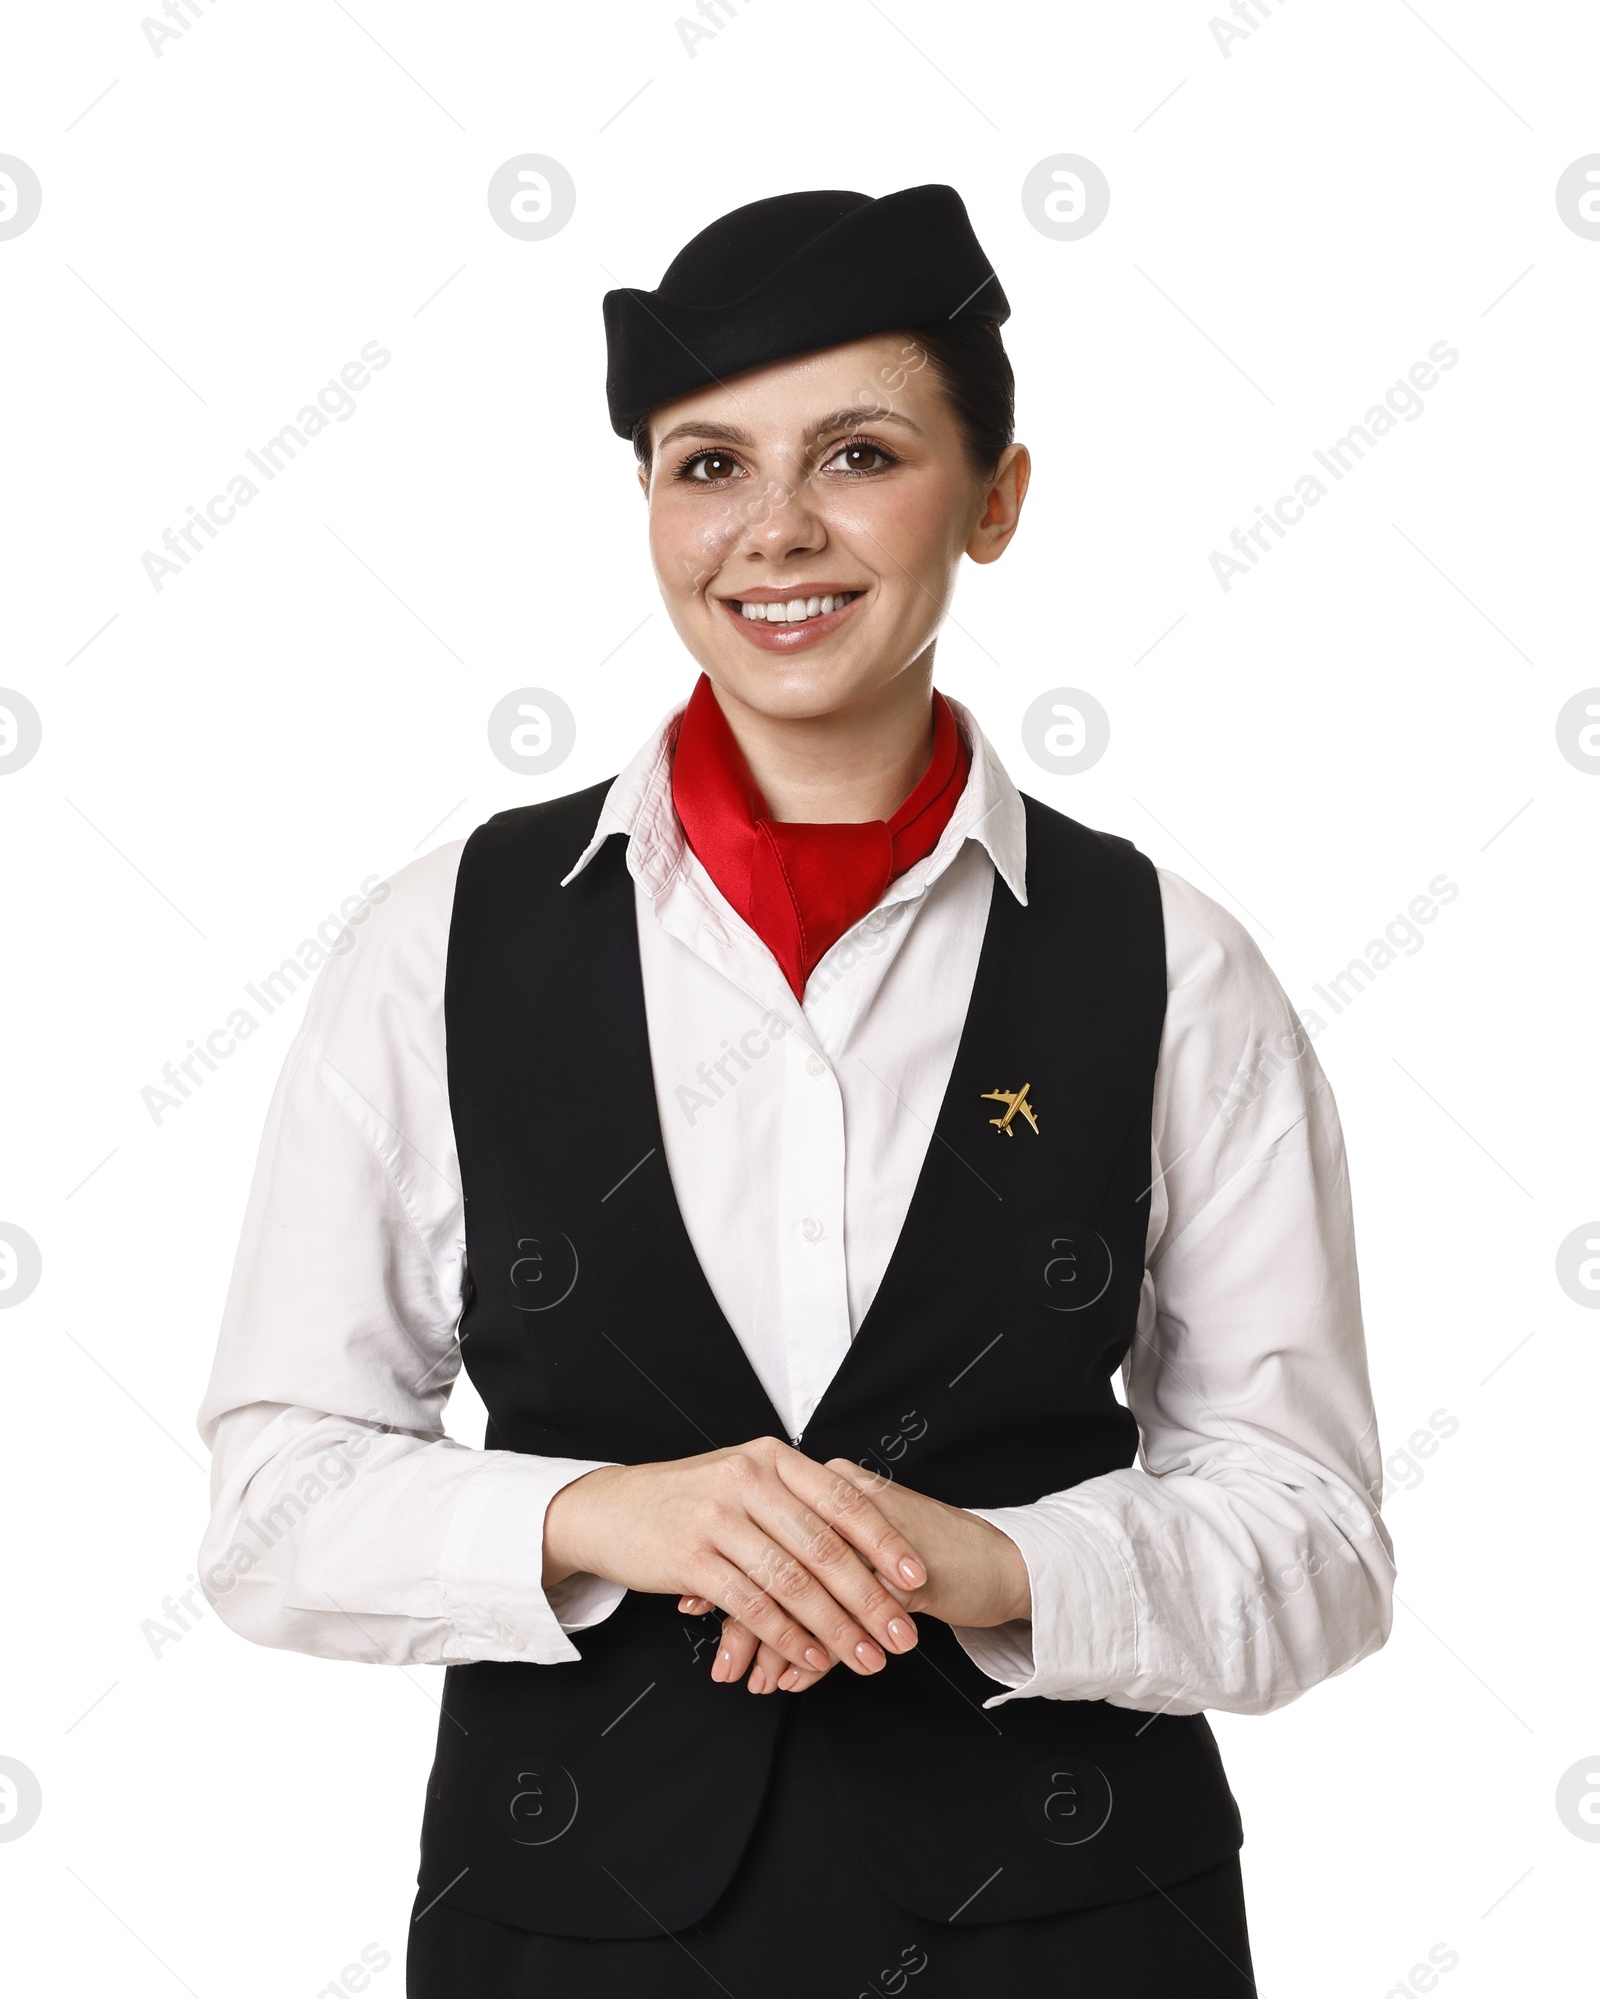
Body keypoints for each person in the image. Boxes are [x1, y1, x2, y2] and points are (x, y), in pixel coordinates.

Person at [199, 184, 1393, 1998]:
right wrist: (604, 1515)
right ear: (649, 508)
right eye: (706, 467)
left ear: (994, 499)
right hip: (571, 1937)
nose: (775, 534)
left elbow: (1315, 1543)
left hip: (1077, 1936)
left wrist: (986, 1564)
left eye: (858, 453)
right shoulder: (439, 941)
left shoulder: (1176, 962)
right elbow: (271, 1504)